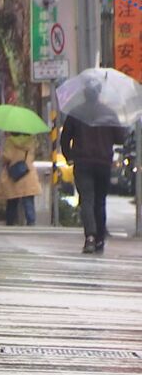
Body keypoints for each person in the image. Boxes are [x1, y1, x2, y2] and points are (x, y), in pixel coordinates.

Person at [60, 82, 128, 254]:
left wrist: (69, 157)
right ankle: (100, 239)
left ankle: (90, 237)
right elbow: (121, 138)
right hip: (103, 163)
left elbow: (64, 137)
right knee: (100, 201)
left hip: (82, 163)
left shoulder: (76, 112)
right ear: (99, 94)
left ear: (84, 94)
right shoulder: (108, 113)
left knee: (87, 200)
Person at [0, 132, 41, 226]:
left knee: (12, 199)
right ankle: (31, 221)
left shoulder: (10, 141)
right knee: (28, 199)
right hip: (28, 172)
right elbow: (32, 156)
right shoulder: (31, 141)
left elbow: (7, 157)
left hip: (13, 173)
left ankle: (10, 221)